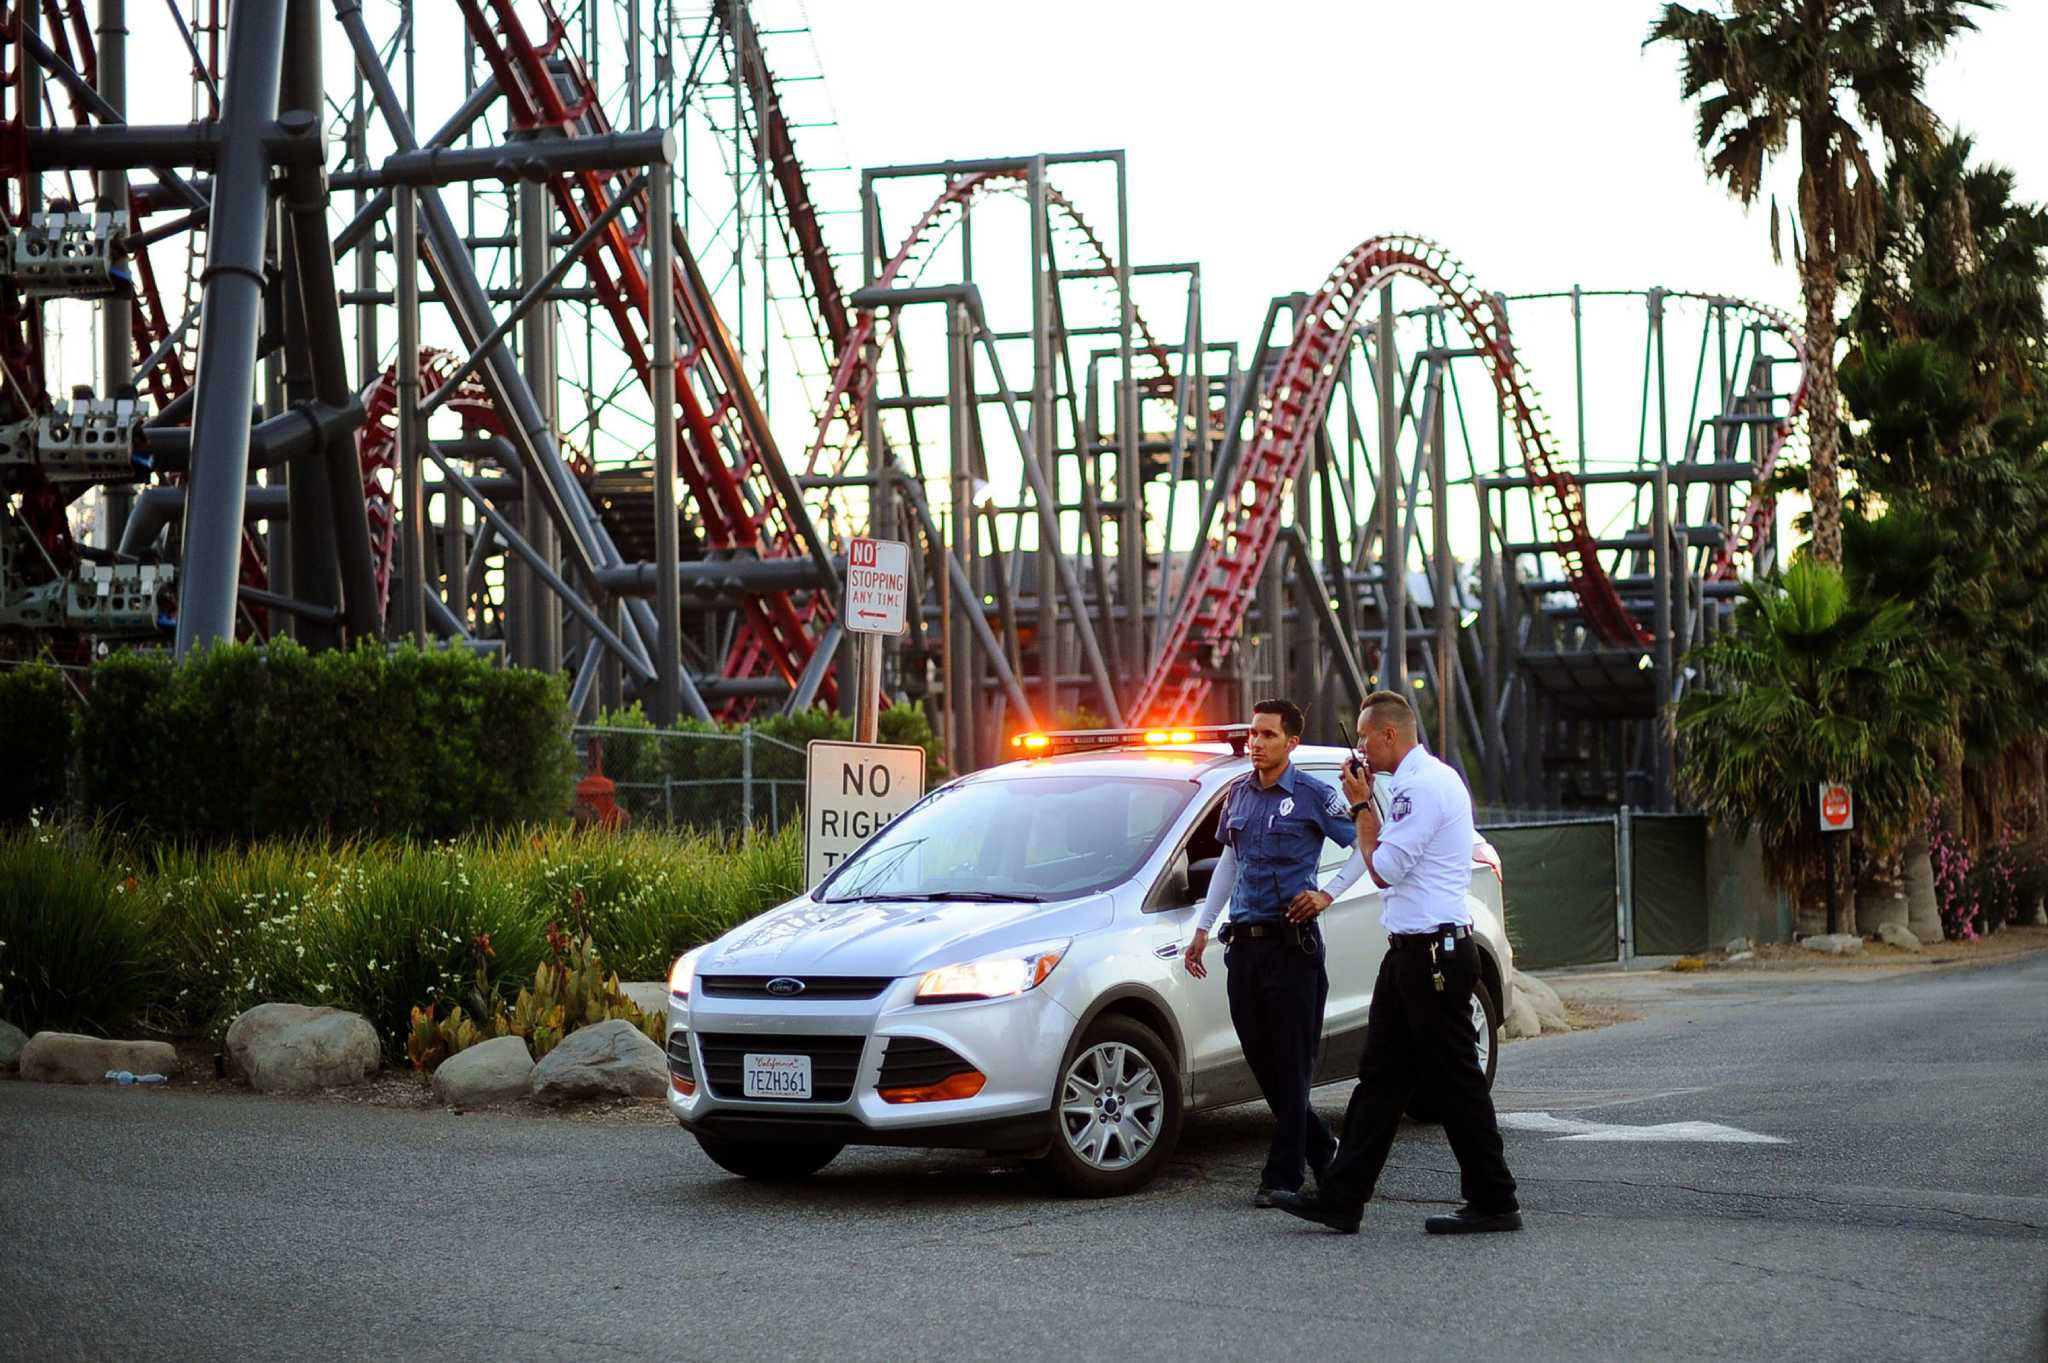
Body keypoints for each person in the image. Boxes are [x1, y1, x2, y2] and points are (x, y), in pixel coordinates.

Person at [1269, 689, 1522, 1236]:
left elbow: (1384, 867)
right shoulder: (1420, 782)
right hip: (1412, 952)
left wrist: (1362, 805)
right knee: (1381, 1078)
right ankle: (1343, 1196)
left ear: (1390, 735)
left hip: (1431, 954)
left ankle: (1495, 1199)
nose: (1359, 746)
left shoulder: (1419, 787)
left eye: (1364, 736)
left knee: (1456, 1082)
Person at [1182, 698, 1360, 1206]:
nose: (1256, 743)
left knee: (1292, 1063)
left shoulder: (1312, 794)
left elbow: (1365, 847)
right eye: (1253, 735)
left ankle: (1282, 1175)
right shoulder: (1238, 793)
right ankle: (1326, 1154)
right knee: (1263, 1061)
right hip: (1245, 948)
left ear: (1291, 743)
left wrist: (1327, 894)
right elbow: (1229, 862)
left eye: (1267, 735)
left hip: (1293, 949)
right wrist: (1203, 927)